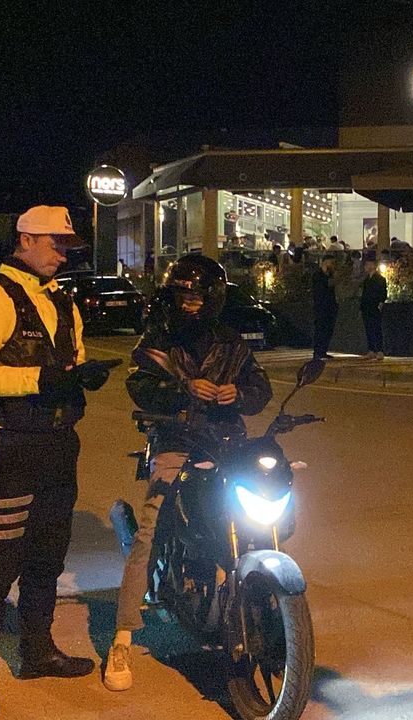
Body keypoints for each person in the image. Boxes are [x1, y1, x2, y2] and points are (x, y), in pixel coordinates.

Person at [0, 205, 118, 720]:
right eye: (54, 243)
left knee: (48, 554)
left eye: (67, 246)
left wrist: (82, 374)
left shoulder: (63, 300)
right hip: (14, 446)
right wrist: (40, 380)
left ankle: (37, 650)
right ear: (24, 240)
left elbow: (68, 362)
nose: (62, 254)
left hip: (58, 443)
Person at [103, 254, 272, 691]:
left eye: (198, 296)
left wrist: (238, 394)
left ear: (214, 298)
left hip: (228, 442)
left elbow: (261, 386)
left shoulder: (232, 342)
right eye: (184, 295)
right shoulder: (159, 338)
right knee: (150, 529)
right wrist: (183, 390)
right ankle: (122, 637)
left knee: (261, 508)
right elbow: (139, 384)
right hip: (176, 440)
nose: (190, 303)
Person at [359, 253, 387, 359]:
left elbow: (383, 293)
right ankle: (371, 350)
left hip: (374, 306)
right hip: (366, 306)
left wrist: (380, 302)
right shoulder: (366, 280)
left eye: (367, 264)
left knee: (376, 328)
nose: (366, 267)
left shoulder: (380, 279)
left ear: (372, 265)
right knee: (368, 329)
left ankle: (379, 350)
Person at [311, 255, 339, 359]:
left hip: (330, 306)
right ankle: (318, 351)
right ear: (325, 262)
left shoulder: (330, 274)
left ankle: (323, 350)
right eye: (331, 263)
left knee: (328, 329)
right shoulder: (317, 275)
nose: (333, 265)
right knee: (320, 329)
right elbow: (322, 288)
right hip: (321, 306)